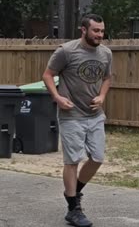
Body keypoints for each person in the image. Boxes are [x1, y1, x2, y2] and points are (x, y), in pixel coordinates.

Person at [42, 14, 112, 227]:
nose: (100, 35)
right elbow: (47, 74)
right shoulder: (66, 51)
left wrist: (102, 96)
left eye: (101, 31)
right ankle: (74, 209)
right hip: (71, 115)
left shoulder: (106, 53)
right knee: (72, 161)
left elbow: (108, 78)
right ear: (83, 30)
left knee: (97, 158)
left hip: (95, 115)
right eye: (95, 31)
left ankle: (73, 193)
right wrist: (57, 97)